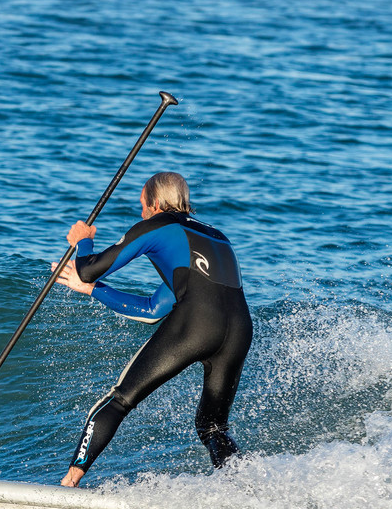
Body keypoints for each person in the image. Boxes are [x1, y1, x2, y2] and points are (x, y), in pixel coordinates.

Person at [54, 171, 253, 487]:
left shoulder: (157, 225)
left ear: (156, 203)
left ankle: (68, 483)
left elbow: (88, 268)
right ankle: (246, 491)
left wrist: (83, 240)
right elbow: (152, 310)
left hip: (196, 325)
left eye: (143, 207)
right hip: (240, 331)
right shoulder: (218, 237)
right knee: (213, 426)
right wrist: (93, 291)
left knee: (119, 400)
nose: (142, 214)